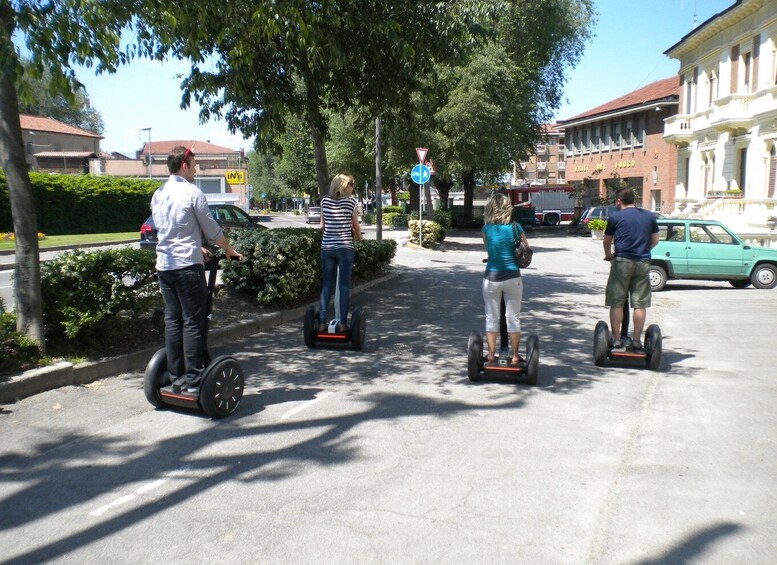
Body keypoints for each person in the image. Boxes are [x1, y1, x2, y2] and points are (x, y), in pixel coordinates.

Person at [151, 146, 243, 393]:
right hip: (186, 268)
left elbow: (170, 231)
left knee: (173, 321)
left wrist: (197, 247)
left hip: (165, 266)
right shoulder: (193, 193)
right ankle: (194, 379)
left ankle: (176, 376)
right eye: (194, 164)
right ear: (184, 165)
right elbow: (212, 230)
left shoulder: (158, 194)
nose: (196, 168)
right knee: (193, 321)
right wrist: (229, 249)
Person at [602, 187, 659, 350]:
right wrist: (644, 249)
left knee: (617, 302)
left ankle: (617, 339)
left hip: (622, 261)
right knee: (639, 303)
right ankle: (636, 340)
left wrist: (609, 255)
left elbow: (607, 241)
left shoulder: (615, 217)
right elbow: (655, 240)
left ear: (619, 201)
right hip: (643, 262)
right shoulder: (649, 216)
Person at [481, 192, 530, 366]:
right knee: (513, 317)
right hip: (512, 276)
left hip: (492, 275)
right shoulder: (515, 227)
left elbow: (489, 248)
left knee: (491, 317)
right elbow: (526, 248)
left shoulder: (486, 228)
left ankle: (491, 355)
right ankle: (515, 356)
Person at [319, 173, 362, 332]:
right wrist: (359, 237)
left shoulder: (325, 200)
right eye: (351, 184)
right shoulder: (351, 202)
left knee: (327, 284)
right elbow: (356, 225)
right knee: (344, 285)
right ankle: (343, 324)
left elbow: (321, 226)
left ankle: (322, 322)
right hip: (345, 248)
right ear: (344, 186)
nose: (353, 187)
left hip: (327, 248)